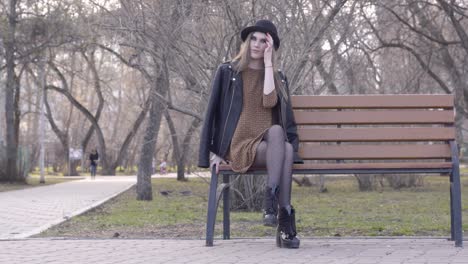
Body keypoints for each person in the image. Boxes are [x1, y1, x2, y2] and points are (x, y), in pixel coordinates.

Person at [198, 19, 303, 248]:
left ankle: (272, 204)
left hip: (268, 143)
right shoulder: (228, 71)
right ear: (246, 42)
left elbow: (269, 101)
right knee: (282, 145)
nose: (256, 44)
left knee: (280, 139)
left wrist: (267, 65)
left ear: (270, 46)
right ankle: (283, 218)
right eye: (252, 39)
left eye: (263, 40)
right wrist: (213, 150)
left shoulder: (277, 75)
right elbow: (212, 112)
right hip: (241, 143)